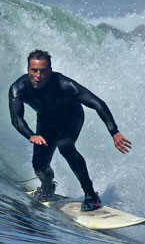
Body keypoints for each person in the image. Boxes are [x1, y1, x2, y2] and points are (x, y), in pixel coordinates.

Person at [9, 49, 132, 212]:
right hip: (46, 122)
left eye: (43, 71)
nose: (38, 75)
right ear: (28, 70)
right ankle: (47, 187)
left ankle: (91, 195)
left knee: (65, 147)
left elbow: (97, 103)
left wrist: (114, 131)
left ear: (50, 71)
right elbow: (16, 119)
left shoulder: (64, 84)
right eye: (34, 70)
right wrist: (31, 135)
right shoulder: (19, 88)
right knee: (39, 165)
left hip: (71, 117)